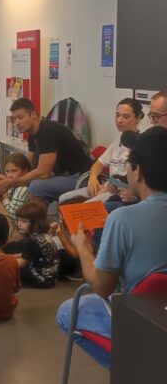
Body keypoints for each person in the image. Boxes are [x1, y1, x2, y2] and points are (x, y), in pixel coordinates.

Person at [56, 126, 167, 353]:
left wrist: (83, 248)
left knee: (68, 312)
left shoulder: (123, 219)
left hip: (140, 318)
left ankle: (132, 368)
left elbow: (102, 287)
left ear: (137, 172)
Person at [0, 98, 91, 205]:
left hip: (81, 177)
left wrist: (11, 183)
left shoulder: (48, 131)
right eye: (14, 119)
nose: (17, 123)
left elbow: (43, 173)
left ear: (33, 114)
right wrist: (7, 178)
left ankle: (28, 215)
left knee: (36, 186)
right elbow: (28, 166)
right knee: (23, 182)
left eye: (20, 117)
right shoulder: (32, 134)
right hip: (63, 175)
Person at [58, 97, 144, 204]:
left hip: (119, 193)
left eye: (125, 117)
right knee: (63, 198)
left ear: (137, 118)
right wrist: (93, 178)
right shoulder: (117, 140)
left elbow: (136, 183)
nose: (119, 120)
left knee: (85, 206)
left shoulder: (140, 144)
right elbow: (99, 163)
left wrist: (108, 188)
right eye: (117, 115)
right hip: (107, 186)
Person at [4, 200, 60, 288]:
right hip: (51, 277)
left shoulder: (32, 241)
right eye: (18, 220)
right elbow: (31, 254)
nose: (19, 224)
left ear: (35, 223)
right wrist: (13, 256)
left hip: (41, 279)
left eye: (24, 221)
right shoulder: (43, 235)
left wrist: (1, 263)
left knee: (9, 270)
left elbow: (21, 263)